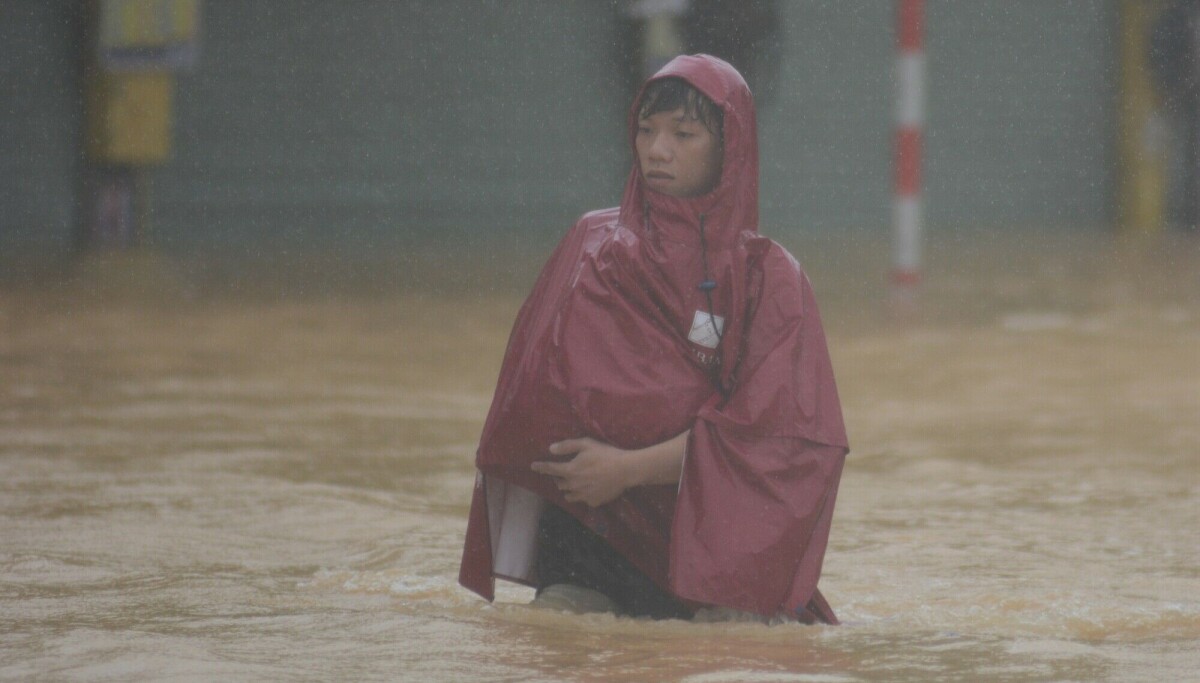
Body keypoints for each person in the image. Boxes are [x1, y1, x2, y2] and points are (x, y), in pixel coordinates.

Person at [459, 54, 849, 623]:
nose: (656, 150)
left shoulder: (771, 278)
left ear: (729, 149)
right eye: (646, 130)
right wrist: (581, 467)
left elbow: (775, 440)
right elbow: (532, 398)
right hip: (591, 530)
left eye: (683, 134)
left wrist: (625, 468)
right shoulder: (590, 243)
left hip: (706, 549)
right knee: (555, 631)